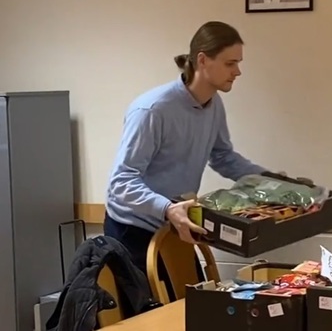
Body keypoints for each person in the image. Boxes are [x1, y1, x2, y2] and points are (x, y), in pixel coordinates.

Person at [103, 21, 277, 278]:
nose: (238, 71)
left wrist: (272, 183)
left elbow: (224, 157)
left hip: (175, 223)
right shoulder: (152, 110)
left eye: (238, 63)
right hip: (133, 231)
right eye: (230, 63)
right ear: (203, 60)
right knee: (149, 317)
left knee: (192, 307)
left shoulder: (213, 104)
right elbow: (121, 182)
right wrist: (167, 208)